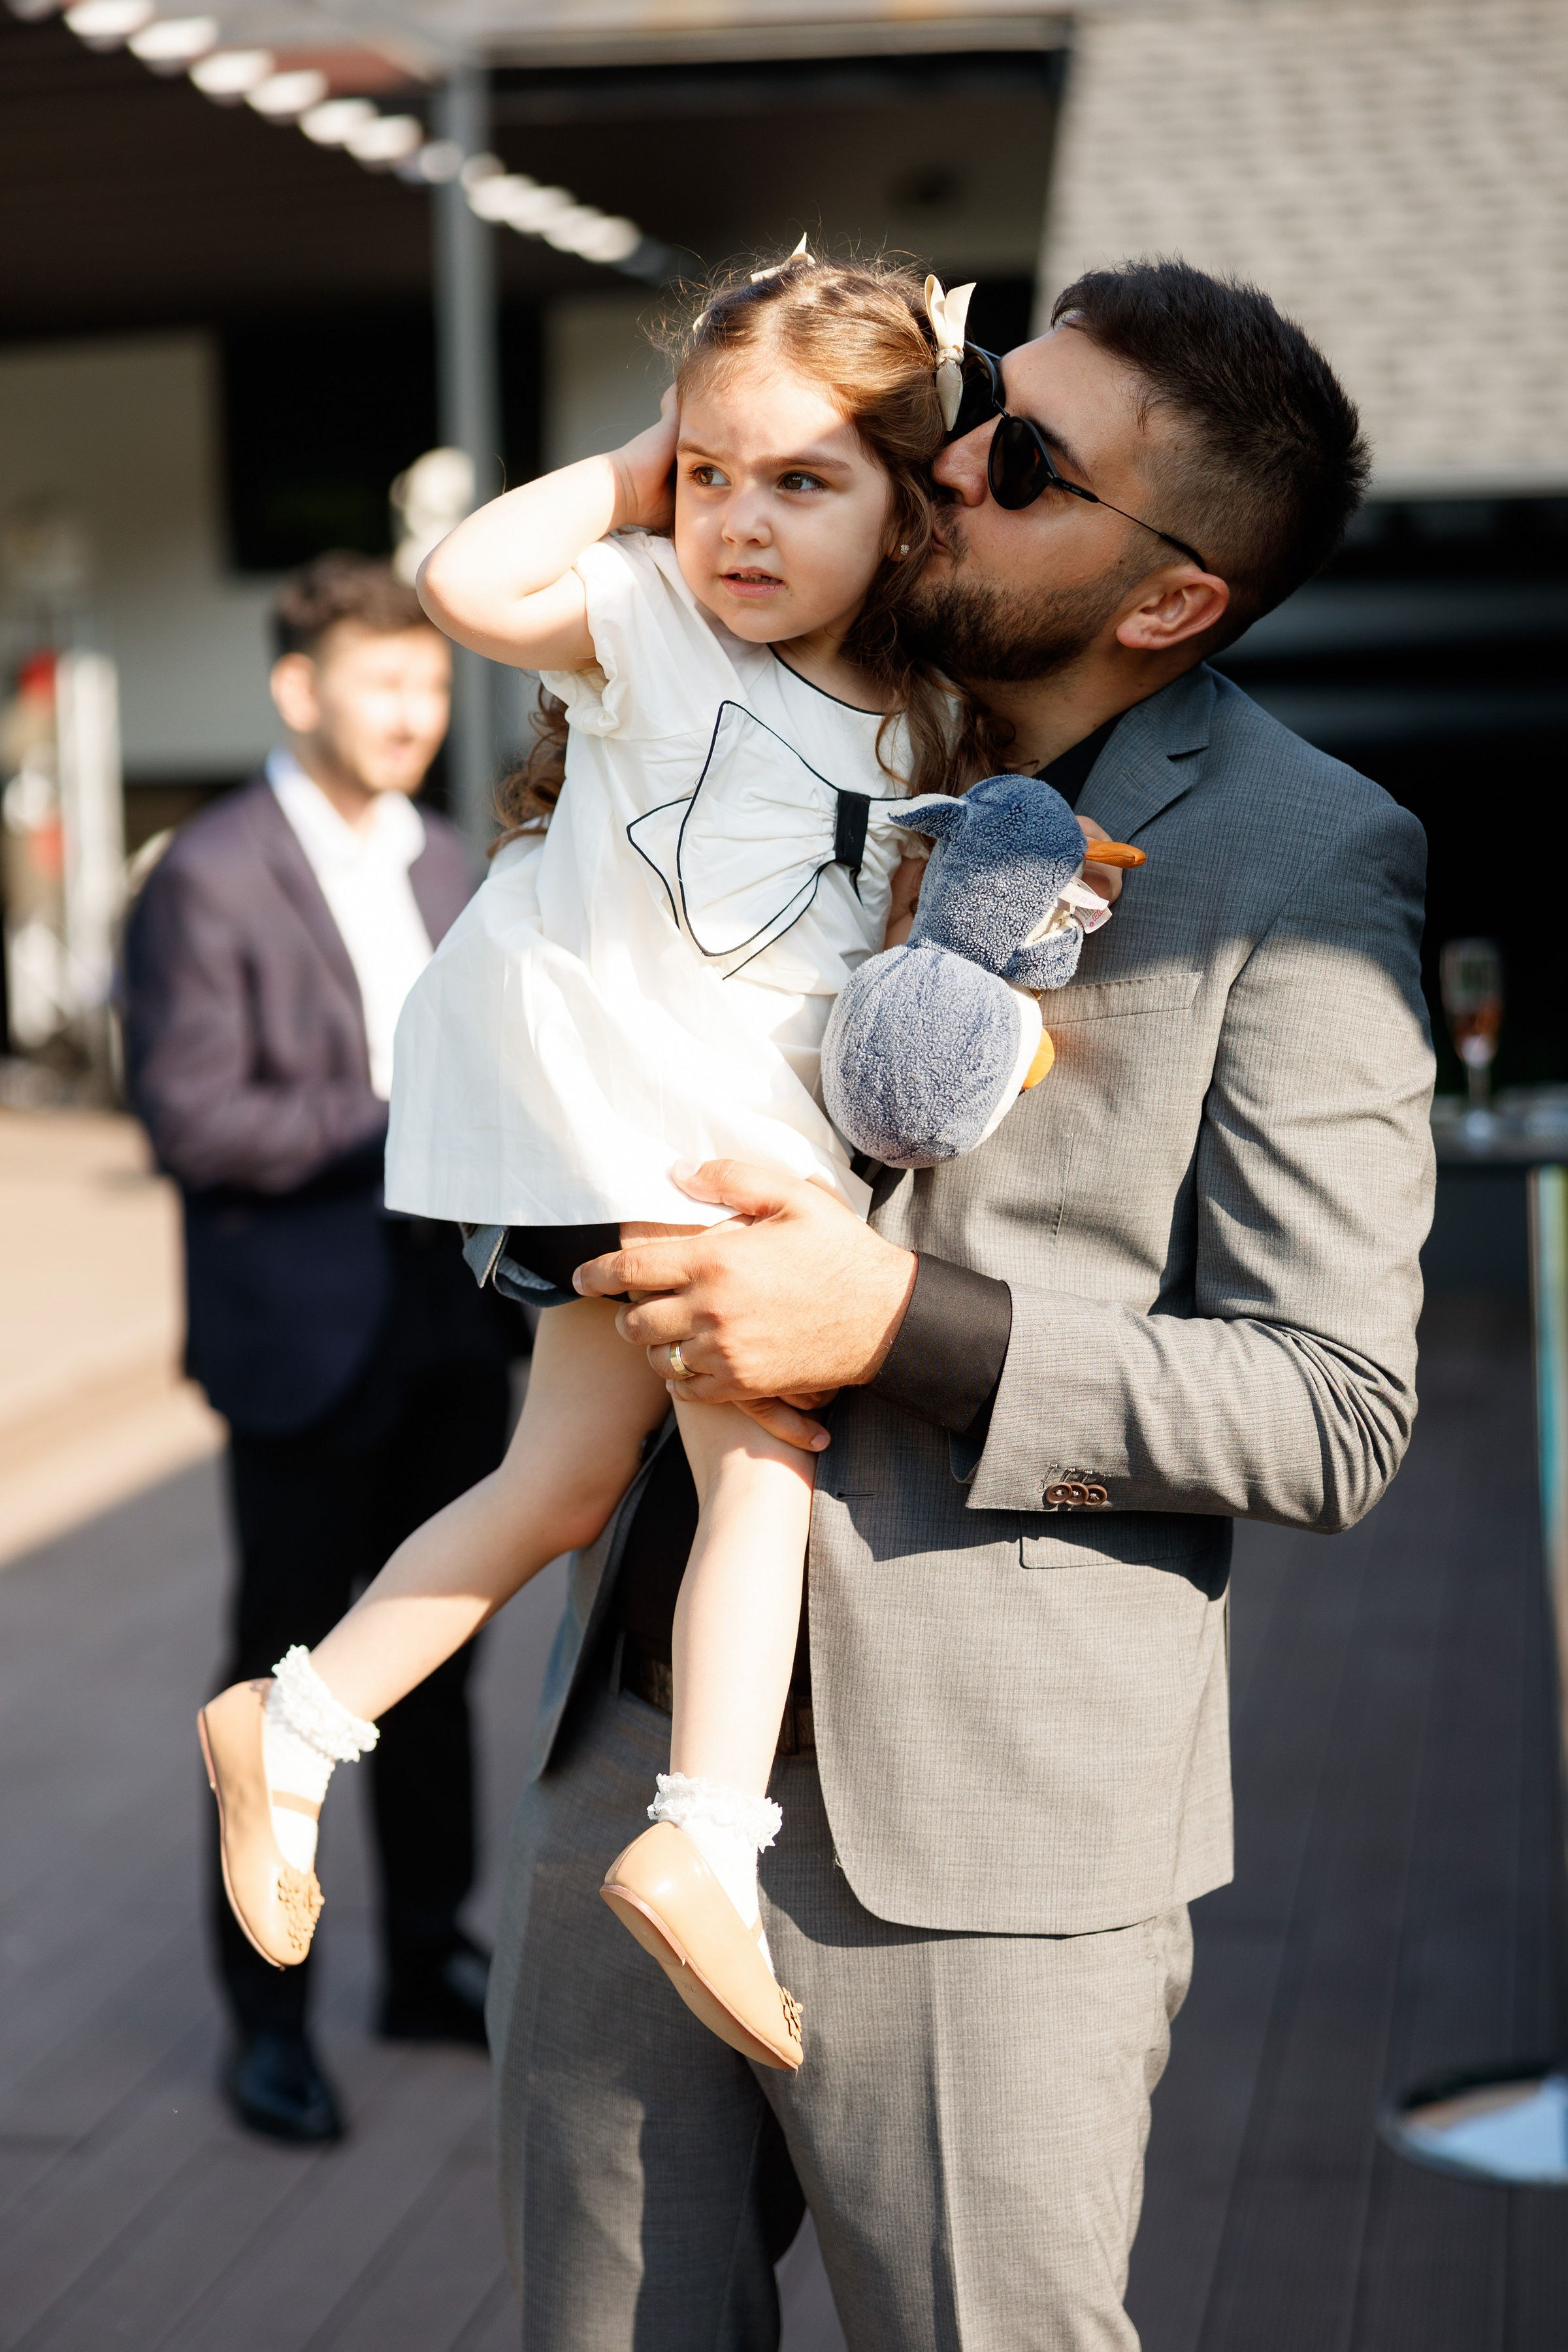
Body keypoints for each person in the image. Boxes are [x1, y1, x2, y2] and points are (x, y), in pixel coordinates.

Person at [477, 257, 1435, 2349]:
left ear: (1168, 596)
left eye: (1022, 457)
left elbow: (1337, 1405)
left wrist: (884, 1324)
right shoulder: (783, 669)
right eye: (983, 397)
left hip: (991, 1847)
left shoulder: (1308, 856)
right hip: (635, 1749)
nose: (954, 454)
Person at [192, 255, 1134, 2076]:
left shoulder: (924, 719)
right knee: (764, 1466)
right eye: (717, 476)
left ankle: (297, 1722)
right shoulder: (650, 622)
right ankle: (703, 1836)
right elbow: (470, 582)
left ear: (907, 497)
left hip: (707, 1143)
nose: (744, 523)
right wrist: (641, 464)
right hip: (630, 1115)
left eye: (804, 482)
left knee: (559, 1479)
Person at [122, 555, 515, 2146]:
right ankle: (267, 2024)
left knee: (438, 1670)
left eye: (431, 688)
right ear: (300, 692)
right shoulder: (205, 874)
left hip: (445, 1332)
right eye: (385, 686)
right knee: (276, 1684)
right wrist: (406, 1108)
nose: (417, 715)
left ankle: (426, 1960)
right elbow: (195, 1118)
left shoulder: (448, 860)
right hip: (299, 1342)